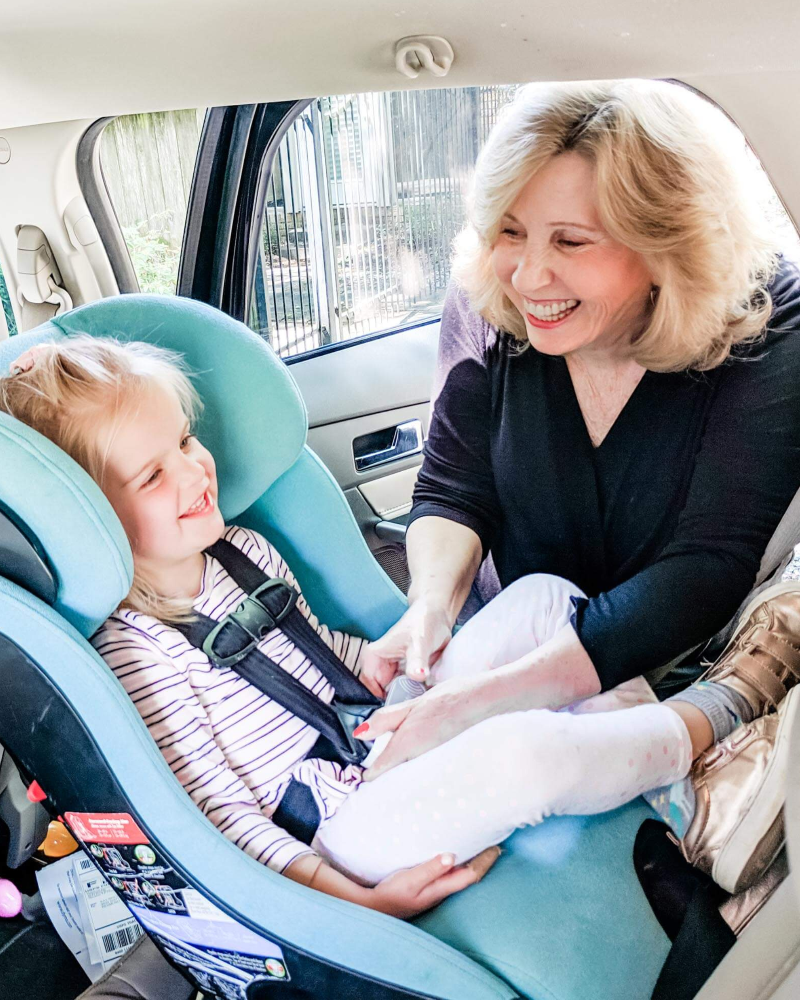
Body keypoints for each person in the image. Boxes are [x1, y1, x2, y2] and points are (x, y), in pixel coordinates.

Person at [2, 335, 798, 916]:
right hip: (340, 828)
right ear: (92, 517)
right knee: (518, 756)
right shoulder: (136, 653)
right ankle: (701, 749)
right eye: (152, 474)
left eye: (184, 440)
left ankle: (648, 772)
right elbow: (224, 821)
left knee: (543, 598)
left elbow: (318, 659)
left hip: (372, 729)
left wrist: (385, 663)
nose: (193, 470)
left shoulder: (238, 549)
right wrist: (357, 901)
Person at [354, 81, 800, 860]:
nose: (528, 276)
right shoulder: (494, 300)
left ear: (667, 246)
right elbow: (452, 488)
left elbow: (705, 566)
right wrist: (429, 610)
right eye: (511, 231)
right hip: (513, 633)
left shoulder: (767, 318)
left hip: (667, 661)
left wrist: (480, 704)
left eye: (571, 242)